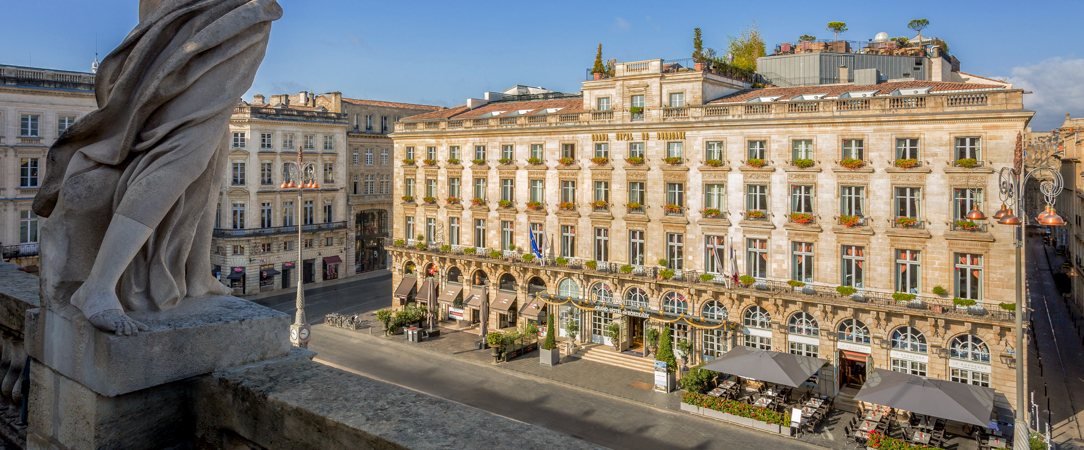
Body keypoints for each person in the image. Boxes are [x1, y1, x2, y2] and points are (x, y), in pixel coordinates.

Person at [33, 0, 282, 335]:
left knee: (211, 160)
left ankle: (197, 273)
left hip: (237, 15)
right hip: (217, 14)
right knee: (183, 154)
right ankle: (98, 285)